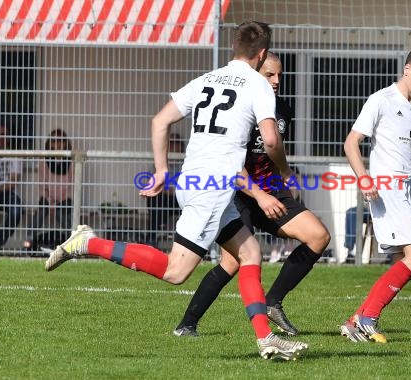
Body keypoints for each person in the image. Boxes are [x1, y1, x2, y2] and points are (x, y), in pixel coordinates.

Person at [44, 21, 308, 361]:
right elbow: (271, 139)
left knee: (250, 254)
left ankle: (265, 339)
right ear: (261, 55)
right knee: (176, 271)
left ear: (233, 49)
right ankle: (87, 242)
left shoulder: (207, 79)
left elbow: (160, 121)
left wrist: (161, 170)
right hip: (212, 188)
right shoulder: (257, 85)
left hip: (196, 180)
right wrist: (284, 172)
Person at [173, 52, 330, 337]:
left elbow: (272, 149)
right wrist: (258, 194)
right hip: (238, 191)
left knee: (318, 236)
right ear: (255, 74)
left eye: (280, 76)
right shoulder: (241, 104)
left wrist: (284, 175)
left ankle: (273, 302)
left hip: (269, 190)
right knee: (232, 261)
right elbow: (230, 161)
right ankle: (187, 324)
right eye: (270, 75)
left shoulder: (281, 107)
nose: (276, 81)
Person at [341, 46, 411, 343]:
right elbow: (351, 143)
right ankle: (368, 317)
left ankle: (354, 321)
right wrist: (364, 179)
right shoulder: (381, 100)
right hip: (387, 189)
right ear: (407, 69)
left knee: (406, 259)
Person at [23, 129, 74, 251]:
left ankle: (72, 243)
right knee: (41, 211)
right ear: (50, 143)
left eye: (61, 140)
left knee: (60, 212)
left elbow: (72, 186)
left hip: (64, 199)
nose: (58, 144)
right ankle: (28, 242)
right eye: (54, 141)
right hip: (47, 198)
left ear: (66, 143)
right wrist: (50, 200)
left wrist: (57, 202)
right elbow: (42, 184)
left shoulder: (72, 161)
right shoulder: (44, 160)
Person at [0, 124, 23, 252]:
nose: (0, 137)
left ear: (8, 137)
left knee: (16, 209)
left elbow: (13, 182)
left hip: (6, 194)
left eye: (3, 134)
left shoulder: (15, 155)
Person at [145, 132, 183, 248]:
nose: (173, 147)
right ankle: (152, 239)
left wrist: (174, 190)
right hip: (163, 198)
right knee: (155, 199)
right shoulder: (159, 164)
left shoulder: (185, 164)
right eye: (171, 144)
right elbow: (151, 183)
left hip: (180, 199)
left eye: (176, 144)